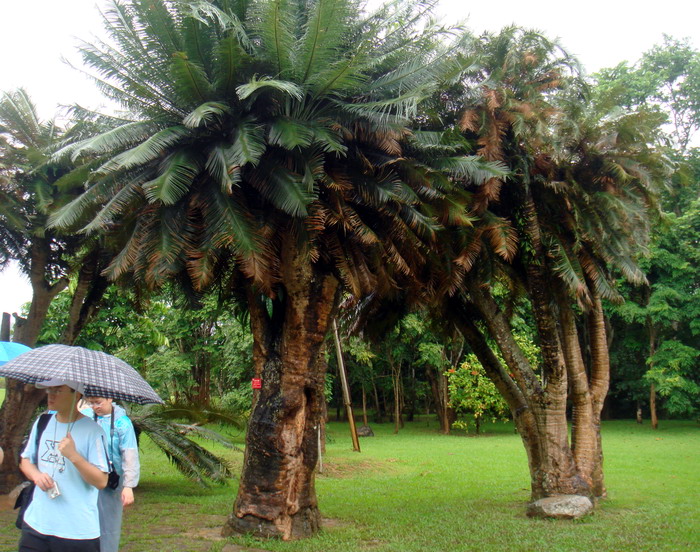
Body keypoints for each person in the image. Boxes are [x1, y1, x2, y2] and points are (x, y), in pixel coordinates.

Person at [19, 380, 108, 552]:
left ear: (76, 395)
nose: (51, 395)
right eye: (49, 389)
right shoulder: (42, 422)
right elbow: (25, 460)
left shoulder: (93, 432)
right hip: (36, 524)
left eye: (58, 390)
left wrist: (73, 456)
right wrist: (37, 476)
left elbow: (101, 481)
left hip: (76, 532)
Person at [82, 396, 140, 552]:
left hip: (112, 481)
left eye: (98, 402)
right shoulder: (84, 417)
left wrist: (128, 486)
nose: (95, 407)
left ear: (109, 399)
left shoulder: (123, 423)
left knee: (109, 523)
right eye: (91, 403)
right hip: (87, 478)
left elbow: (130, 455)